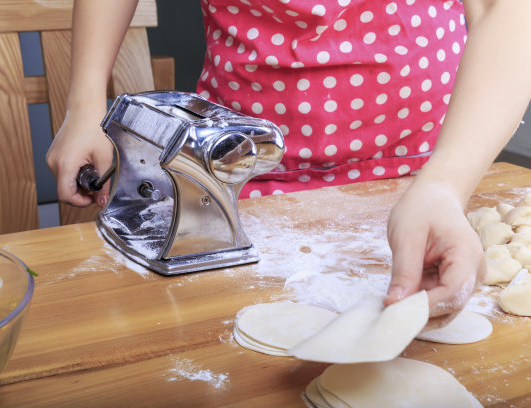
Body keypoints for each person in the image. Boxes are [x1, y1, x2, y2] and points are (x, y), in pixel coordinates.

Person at [46, 0, 531, 321]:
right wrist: (86, 105)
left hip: (427, 169)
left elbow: (503, 9)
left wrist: (444, 185)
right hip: (234, 173)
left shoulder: (440, 179)